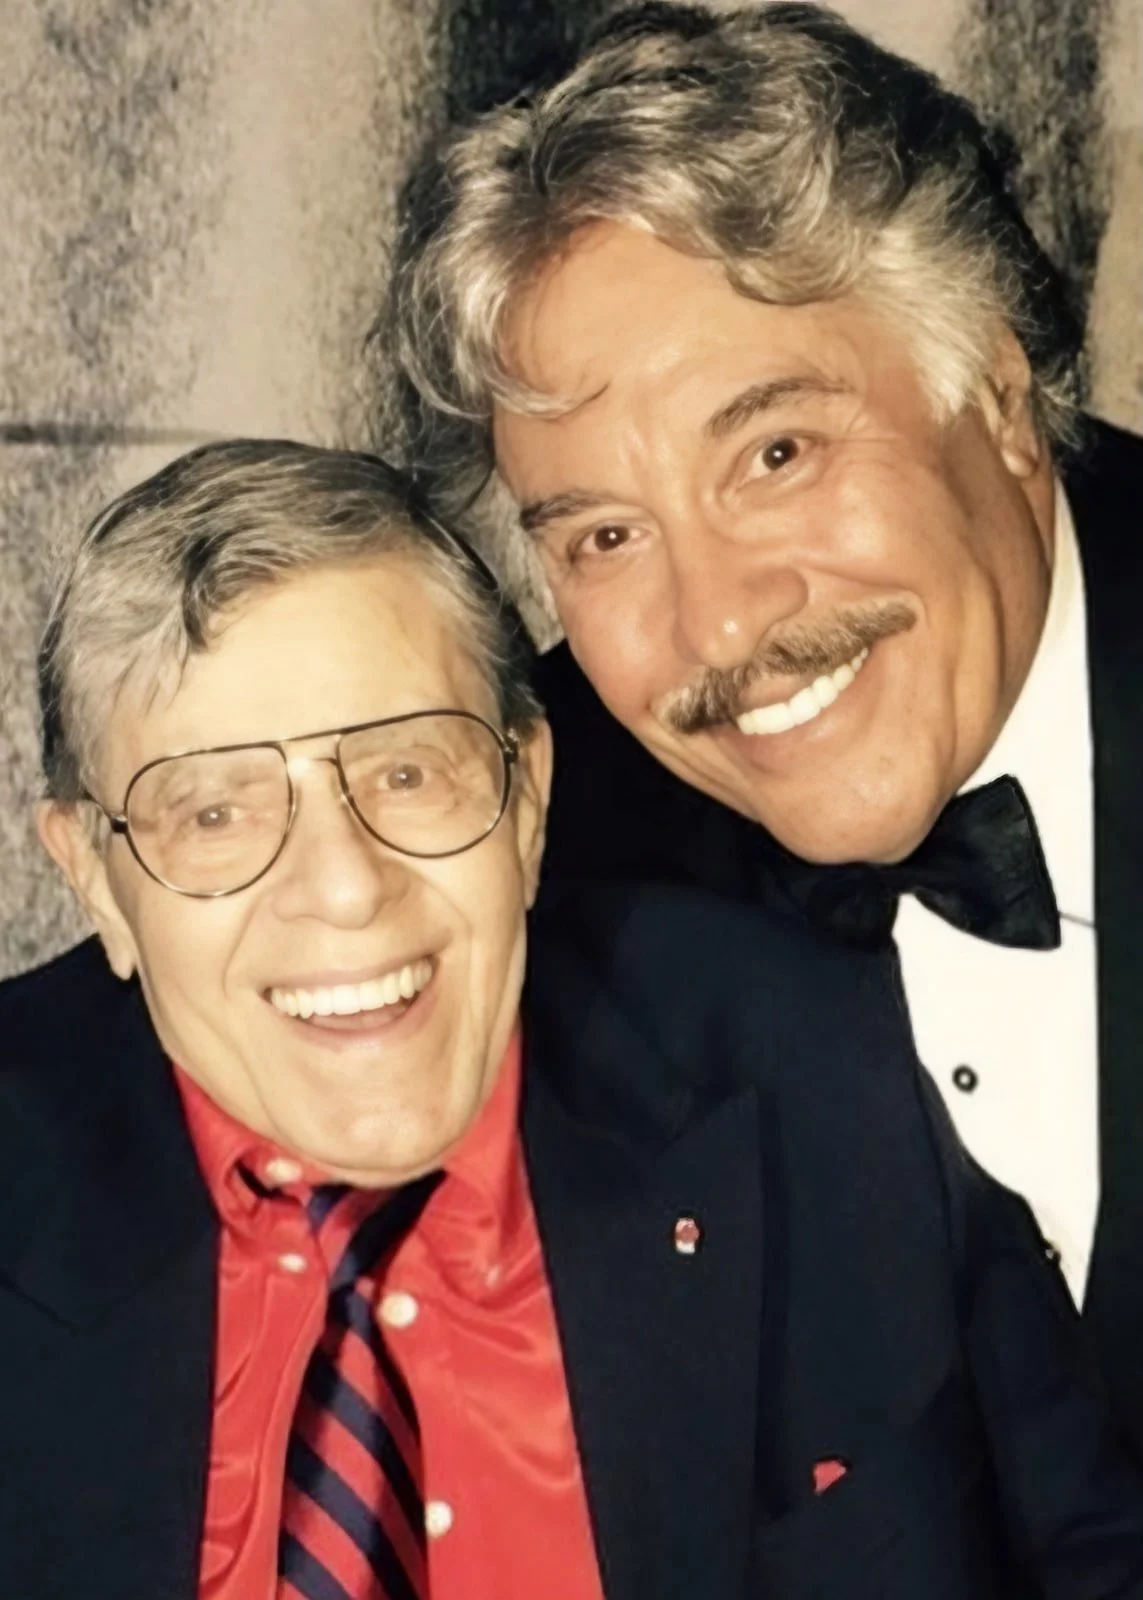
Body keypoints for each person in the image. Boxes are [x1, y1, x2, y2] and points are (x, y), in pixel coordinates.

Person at [5, 440, 1143, 1600]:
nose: (345, 888)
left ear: (529, 799)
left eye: (409, 772)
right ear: (96, 879)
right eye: (214, 813)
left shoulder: (810, 1058)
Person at [390, 0, 1143, 1458]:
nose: (720, 627)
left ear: (995, 395)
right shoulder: (534, 850)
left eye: (775, 453)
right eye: (606, 537)